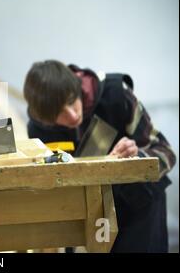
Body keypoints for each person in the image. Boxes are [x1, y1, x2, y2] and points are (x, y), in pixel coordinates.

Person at [23, 60, 176, 253]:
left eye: (72, 101)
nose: (71, 115)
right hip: (87, 216)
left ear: (77, 86)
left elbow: (166, 152)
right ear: (45, 118)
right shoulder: (39, 129)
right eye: (59, 113)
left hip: (139, 212)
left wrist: (138, 158)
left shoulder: (116, 96)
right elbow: (53, 187)